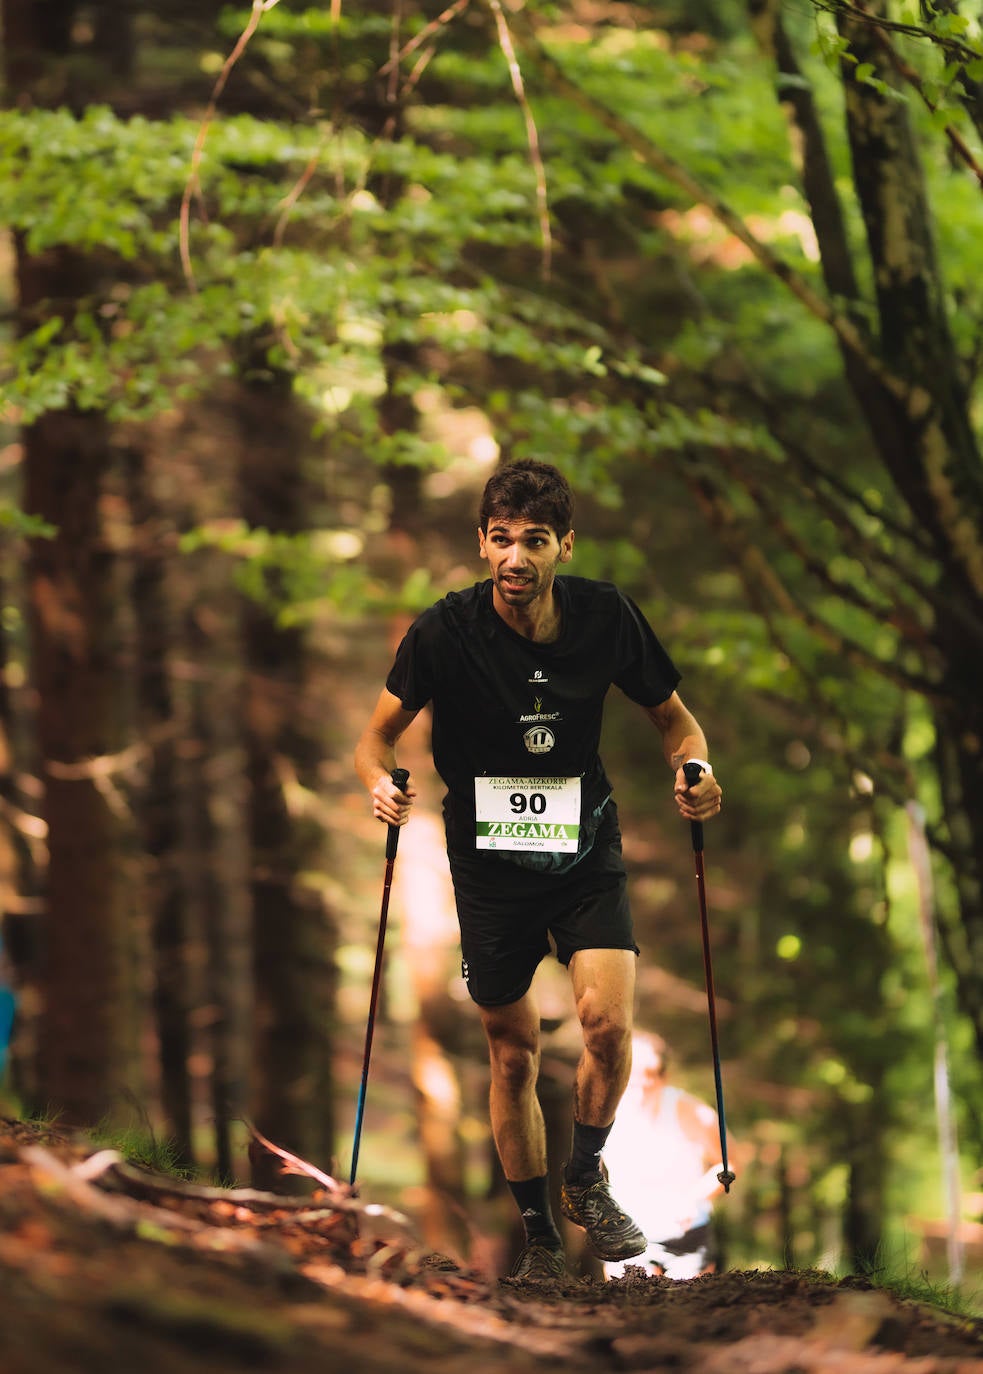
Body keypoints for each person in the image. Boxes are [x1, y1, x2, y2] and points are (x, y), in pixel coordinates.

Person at [354, 458, 722, 1281]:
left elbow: (676, 723)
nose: (515, 557)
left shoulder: (605, 617)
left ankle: (584, 1178)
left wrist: (694, 771)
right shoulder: (443, 632)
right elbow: (374, 738)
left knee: (607, 1027)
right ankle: (541, 1240)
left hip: (583, 847)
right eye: (500, 539)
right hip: (487, 864)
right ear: (482, 545)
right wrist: (379, 781)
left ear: (564, 546)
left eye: (534, 540)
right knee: (512, 1049)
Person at [601, 1031, 733, 1282]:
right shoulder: (602, 1114)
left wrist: (693, 1199)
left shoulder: (692, 1111)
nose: (640, 1084)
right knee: (628, 1298)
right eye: (631, 1075)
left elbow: (728, 1163)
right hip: (627, 1234)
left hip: (687, 1237)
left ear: (664, 1076)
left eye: (649, 1075)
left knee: (687, 1302)